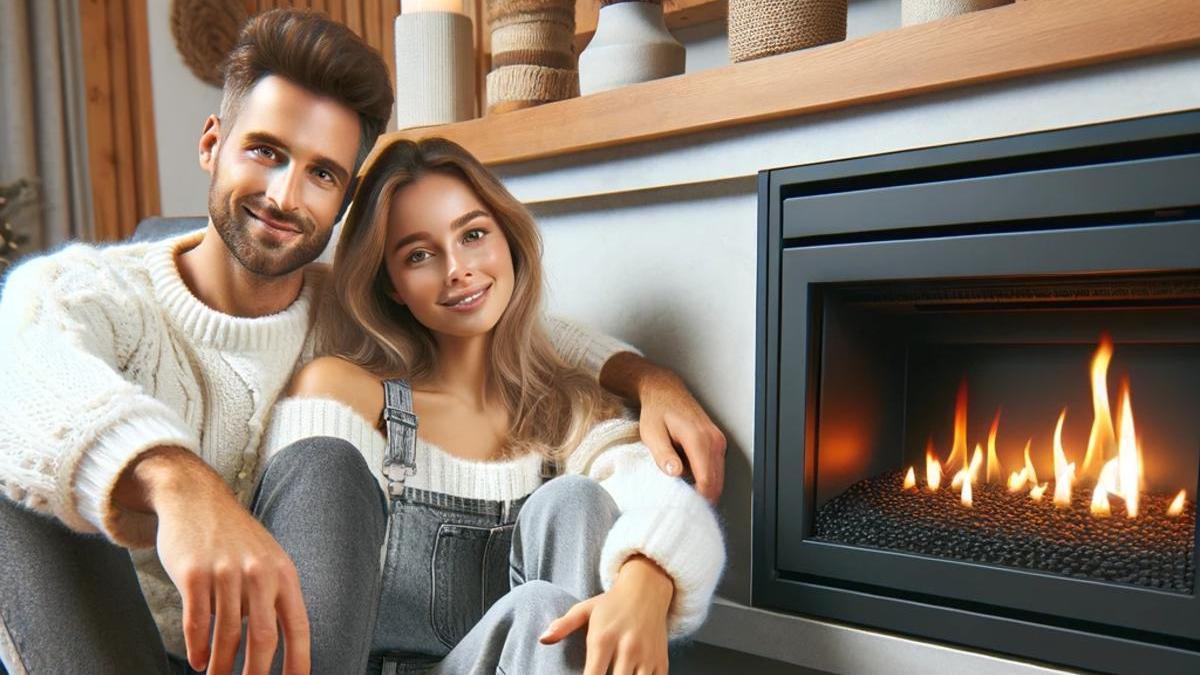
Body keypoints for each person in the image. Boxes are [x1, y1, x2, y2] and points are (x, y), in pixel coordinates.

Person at [0, 8, 725, 675]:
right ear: (213, 143)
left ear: (343, 203)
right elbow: (20, 365)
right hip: (120, 648)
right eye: (264, 151)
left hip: (277, 657)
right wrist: (176, 483)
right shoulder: (95, 293)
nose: (285, 196)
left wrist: (645, 375)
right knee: (16, 470)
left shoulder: (346, 317)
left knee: (336, 468)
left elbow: (510, 325)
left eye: (320, 173)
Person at [262, 137, 724, 674]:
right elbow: (297, 554)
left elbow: (671, 506)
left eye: (473, 234)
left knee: (572, 507)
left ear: (507, 238)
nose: (457, 269)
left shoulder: (564, 408)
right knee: (322, 462)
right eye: (419, 254)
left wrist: (648, 579)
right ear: (392, 285)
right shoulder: (347, 391)